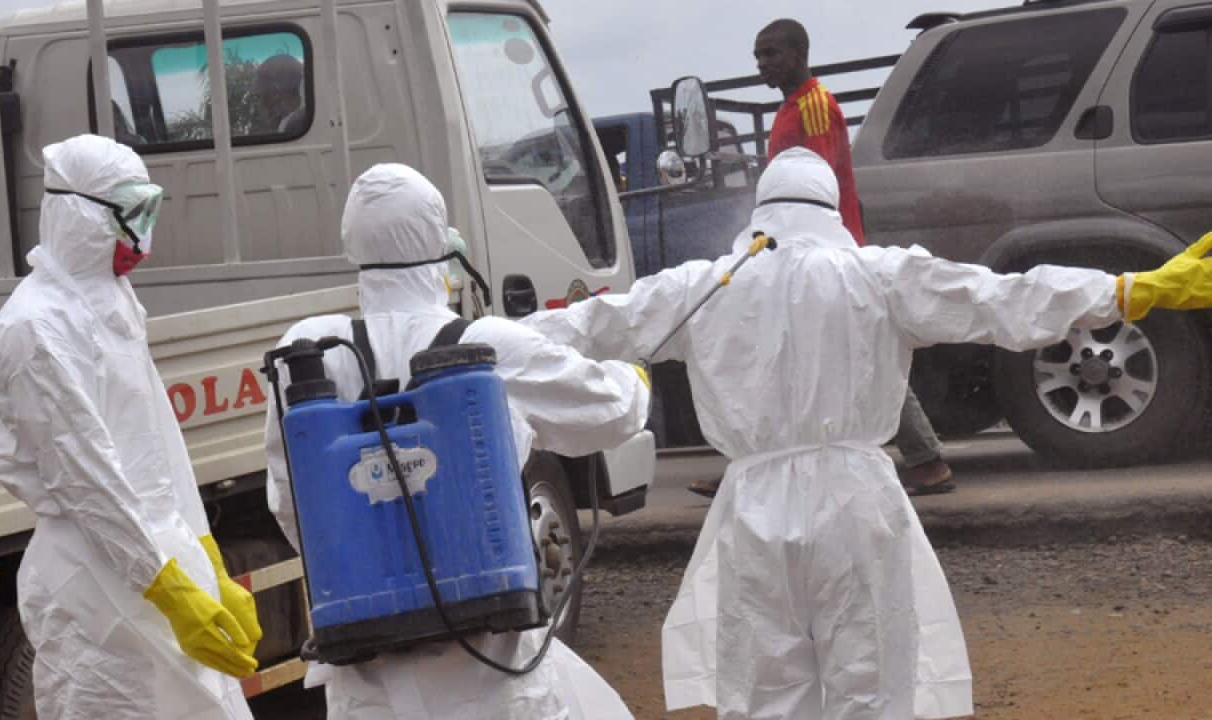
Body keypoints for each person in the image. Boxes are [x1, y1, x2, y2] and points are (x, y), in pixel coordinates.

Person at [521, 146, 1212, 719]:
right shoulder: (879, 275)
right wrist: (1127, 291)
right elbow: (1001, 298)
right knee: (871, 684)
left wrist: (463, 343)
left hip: (754, 504)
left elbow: (593, 324)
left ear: (762, 210)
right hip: (857, 498)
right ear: (831, 210)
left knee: (769, 690)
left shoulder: (705, 285)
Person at [263, 163, 651, 719]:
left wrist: (372, 574)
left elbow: (287, 500)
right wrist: (633, 383)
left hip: (366, 680)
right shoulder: (483, 345)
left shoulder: (308, 353)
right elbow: (607, 412)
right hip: (486, 668)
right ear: (439, 244)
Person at [0, 134, 262, 720]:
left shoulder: (113, 304)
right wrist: (171, 591)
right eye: (133, 215)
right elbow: (87, 481)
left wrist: (208, 563)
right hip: (93, 583)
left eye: (150, 211)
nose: (144, 234)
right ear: (78, 214)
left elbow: (160, 447)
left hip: (159, 557)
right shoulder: (34, 329)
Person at [692, 17, 951, 498]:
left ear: (798, 53)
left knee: (859, 352)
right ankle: (748, 462)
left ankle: (927, 460)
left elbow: (817, 183)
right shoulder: (794, 108)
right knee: (813, 349)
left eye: (770, 53)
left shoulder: (812, 106)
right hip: (802, 250)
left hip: (824, 252)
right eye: (757, 55)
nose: (761, 63)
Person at [252, 54, 307, 135]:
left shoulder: (292, 127)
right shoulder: (306, 122)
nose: (259, 104)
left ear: (274, 94)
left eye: (258, 96)